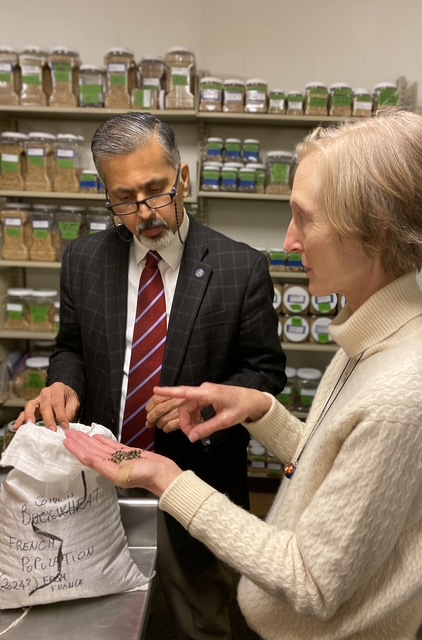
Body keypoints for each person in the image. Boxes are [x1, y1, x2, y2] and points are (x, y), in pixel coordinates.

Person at [63, 109, 422, 640]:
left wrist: (166, 477)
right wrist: (262, 410)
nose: (290, 240)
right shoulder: (371, 343)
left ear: (372, 229)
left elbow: (311, 581)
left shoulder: (407, 389)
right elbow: (334, 462)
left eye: (304, 217)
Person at [15, 112, 287, 639]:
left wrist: (208, 401)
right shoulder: (83, 260)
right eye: (125, 199)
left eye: (157, 191)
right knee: (97, 619)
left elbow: (265, 371)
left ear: (182, 176)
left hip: (197, 483)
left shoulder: (240, 267)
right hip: (98, 482)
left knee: (199, 620)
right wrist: (63, 382)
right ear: (107, 196)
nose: (145, 213)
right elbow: (70, 347)